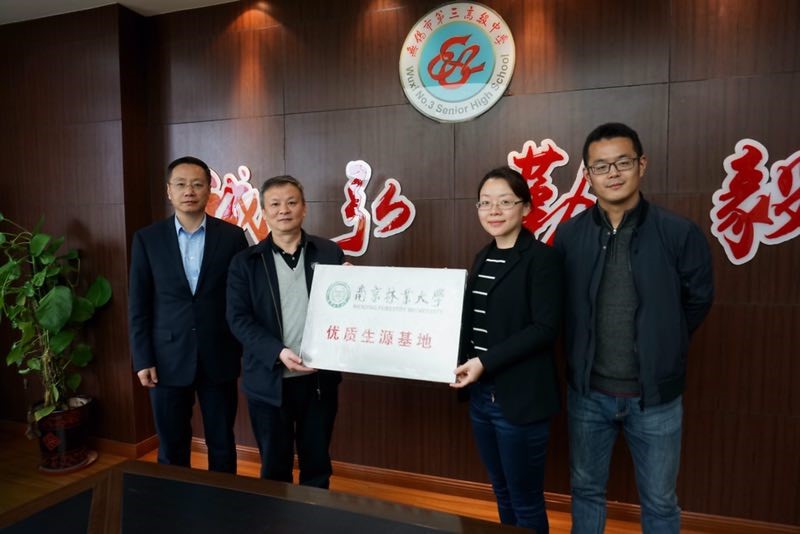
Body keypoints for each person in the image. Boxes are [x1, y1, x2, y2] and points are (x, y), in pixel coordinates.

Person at [553, 123, 714, 534]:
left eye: (622, 162)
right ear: (587, 175)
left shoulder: (678, 232)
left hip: (655, 398)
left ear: (641, 165)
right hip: (588, 393)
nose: (612, 173)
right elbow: (559, 306)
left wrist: (666, 341)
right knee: (585, 489)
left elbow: (697, 300)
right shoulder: (569, 235)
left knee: (660, 501)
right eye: (601, 166)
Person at [452, 166, 563, 532]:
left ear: (526, 207)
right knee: (501, 491)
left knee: (525, 500)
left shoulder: (542, 259)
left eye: (505, 202)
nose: (494, 211)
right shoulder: (482, 257)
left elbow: (544, 329)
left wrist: (485, 362)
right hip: (481, 396)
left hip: (520, 400)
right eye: (485, 203)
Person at [129, 156, 248, 473]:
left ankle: (223, 501)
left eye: (197, 184)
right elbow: (138, 304)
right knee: (171, 445)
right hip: (166, 358)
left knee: (222, 443)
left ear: (209, 190)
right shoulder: (148, 239)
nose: (189, 191)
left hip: (219, 355)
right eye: (180, 184)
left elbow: (243, 297)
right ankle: (174, 501)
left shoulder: (232, 237)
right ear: (169, 191)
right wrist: (142, 358)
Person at [226, 175, 344, 488]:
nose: (284, 210)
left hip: (318, 381)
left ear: (304, 208)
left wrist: (354, 286)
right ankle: (276, 515)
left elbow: (343, 310)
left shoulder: (329, 252)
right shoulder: (246, 262)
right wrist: (277, 351)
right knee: (275, 466)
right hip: (268, 380)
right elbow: (238, 319)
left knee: (317, 464)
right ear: (264, 212)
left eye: (292, 202)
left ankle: (315, 513)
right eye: (275, 204)